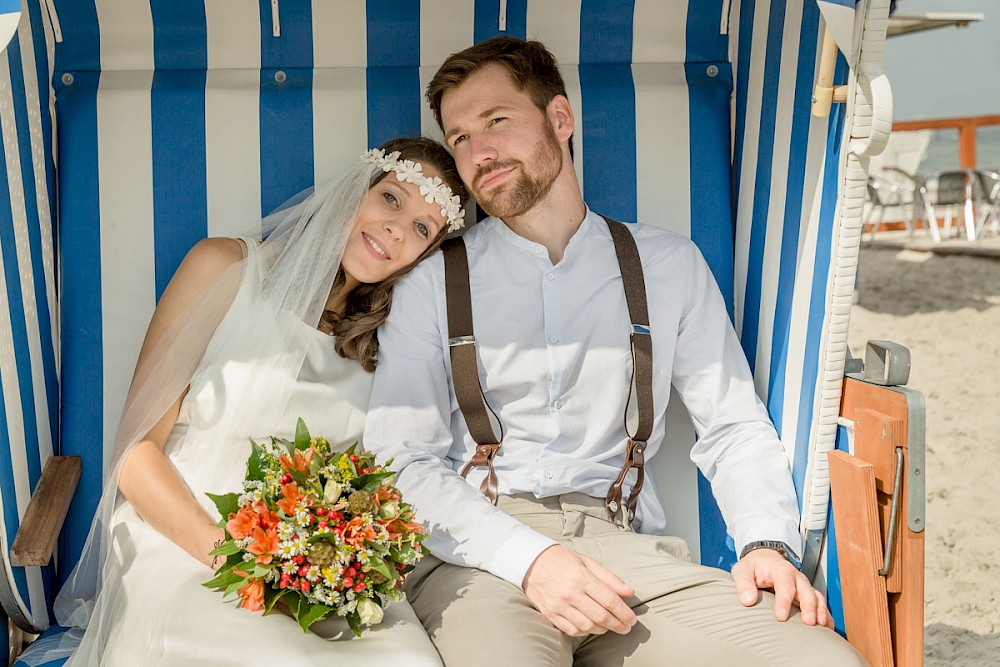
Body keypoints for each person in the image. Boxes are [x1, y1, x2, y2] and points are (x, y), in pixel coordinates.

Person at [364, 38, 868, 666]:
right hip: (478, 558)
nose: (479, 152)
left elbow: (733, 423)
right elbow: (399, 460)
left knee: (822, 661)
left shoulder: (669, 265)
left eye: (496, 122)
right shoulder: (431, 281)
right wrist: (533, 561)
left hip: (630, 556)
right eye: (460, 138)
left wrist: (766, 542)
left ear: (560, 120)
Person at [29, 138, 468, 666]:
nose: (398, 228)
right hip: (185, 538)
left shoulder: (394, 338)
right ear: (356, 190)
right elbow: (136, 455)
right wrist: (232, 560)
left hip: (314, 562)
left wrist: (330, 562)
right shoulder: (224, 266)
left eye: (423, 228)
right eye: (392, 199)